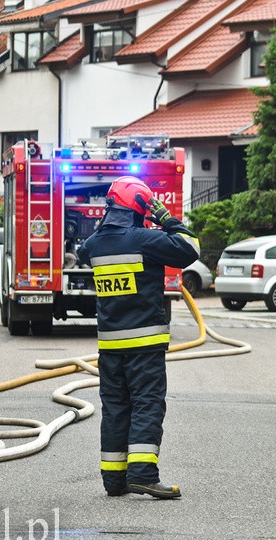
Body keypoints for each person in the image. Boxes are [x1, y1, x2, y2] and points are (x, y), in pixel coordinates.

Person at [78, 176, 199, 499]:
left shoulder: (94, 245)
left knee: (116, 408)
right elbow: (190, 249)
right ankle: (143, 474)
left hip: (110, 347)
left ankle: (114, 480)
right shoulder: (144, 238)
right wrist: (165, 218)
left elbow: (82, 250)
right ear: (141, 207)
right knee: (146, 405)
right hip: (144, 345)